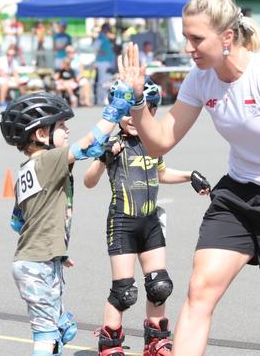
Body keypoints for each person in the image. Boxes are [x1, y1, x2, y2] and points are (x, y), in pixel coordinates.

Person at [117, 0, 260, 355]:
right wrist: (137, 102)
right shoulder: (201, 79)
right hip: (237, 193)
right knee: (200, 290)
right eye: (187, 37)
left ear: (227, 38)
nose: (189, 48)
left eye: (197, 39)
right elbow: (159, 142)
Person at [0, 78, 137, 356]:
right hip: (37, 264)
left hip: (41, 259)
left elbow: (19, 221)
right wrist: (115, 109)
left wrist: (56, 250)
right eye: (60, 126)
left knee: (61, 330)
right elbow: (87, 144)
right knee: (47, 334)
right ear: (39, 135)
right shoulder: (47, 160)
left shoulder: (28, 168)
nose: (66, 129)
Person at [83, 79, 211, 356]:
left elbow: (161, 174)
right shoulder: (113, 144)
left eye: (144, 111)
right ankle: (111, 344)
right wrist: (103, 158)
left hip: (151, 222)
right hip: (123, 223)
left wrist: (190, 175)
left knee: (159, 285)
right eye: (126, 112)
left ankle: (156, 341)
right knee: (123, 291)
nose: (133, 118)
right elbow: (88, 181)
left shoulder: (152, 144)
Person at [94, 23, 116, 105]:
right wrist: (102, 53)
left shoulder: (105, 38)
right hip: (102, 62)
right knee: (103, 81)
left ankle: (103, 99)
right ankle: (102, 99)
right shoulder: (101, 37)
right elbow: (95, 48)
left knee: (106, 80)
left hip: (106, 61)